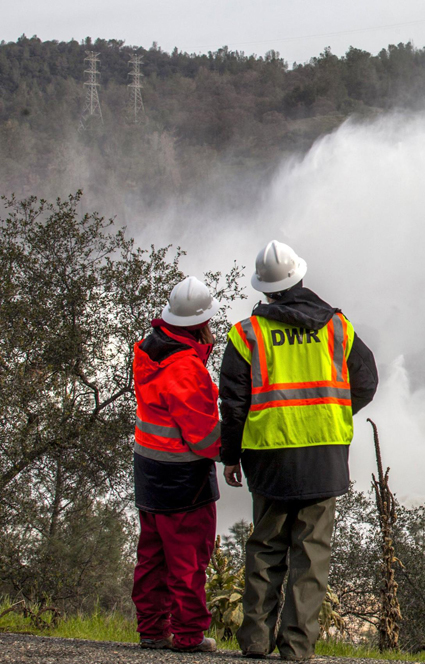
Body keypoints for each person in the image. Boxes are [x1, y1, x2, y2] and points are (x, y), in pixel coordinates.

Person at [220, 240, 378, 661]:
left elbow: (233, 407)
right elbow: (366, 382)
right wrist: (331, 412)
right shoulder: (337, 327)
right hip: (323, 459)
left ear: (264, 289)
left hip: (269, 458)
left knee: (265, 549)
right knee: (311, 556)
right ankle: (296, 648)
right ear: (301, 278)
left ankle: (255, 641)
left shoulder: (246, 336)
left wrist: (230, 456)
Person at [131, 276, 222, 653]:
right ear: (201, 324)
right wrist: (235, 444)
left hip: (149, 470)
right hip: (183, 480)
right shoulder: (186, 368)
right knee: (188, 559)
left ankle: (152, 630)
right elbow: (203, 440)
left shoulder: (149, 350)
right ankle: (188, 636)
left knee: (151, 556)